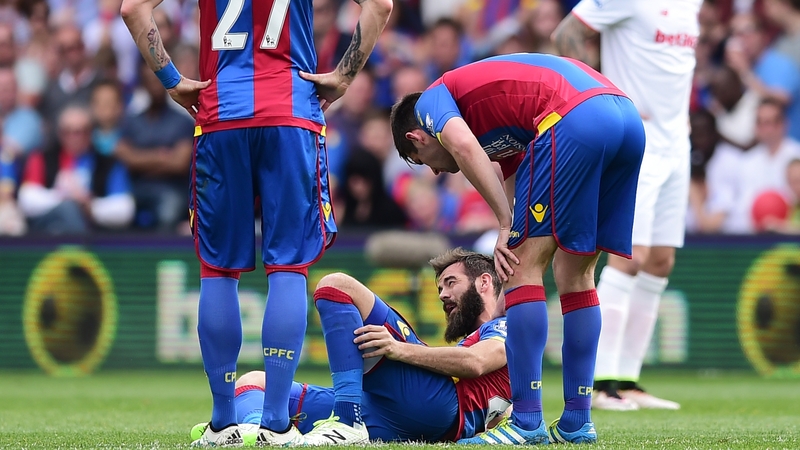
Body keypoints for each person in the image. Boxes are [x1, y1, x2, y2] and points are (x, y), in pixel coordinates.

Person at [120, 0, 393, 446]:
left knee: (218, 271)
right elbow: (380, 5)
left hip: (219, 115)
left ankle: (222, 423)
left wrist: (171, 81)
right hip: (291, 115)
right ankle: (275, 424)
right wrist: (344, 76)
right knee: (287, 267)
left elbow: (133, 9)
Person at [390, 52, 645, 444]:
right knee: (574, 272)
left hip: (573, 117)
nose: (435, 172)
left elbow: (462, 147)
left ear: (416, 138)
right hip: (625, 119)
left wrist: (506, 225)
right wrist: (513, 220)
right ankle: (578, 421)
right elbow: (515, 177)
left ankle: (526, 421)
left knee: (521, 267)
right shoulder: (499, 128)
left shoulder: (430, 104)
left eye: (422, 161)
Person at [191, 248, 511, 444]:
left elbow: (475, 363)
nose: (442, 294)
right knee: (252, 382)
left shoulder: (506, 326)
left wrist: (399, 349)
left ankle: (347, 421)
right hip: (396, 416)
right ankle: (249, 432)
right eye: (440, 286)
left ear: (484, 282)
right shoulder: (493, 342)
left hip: (436, 406)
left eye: (451, 282)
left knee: (337, 286)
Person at [551, 0, 702, 411]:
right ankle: (599, 382)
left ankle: (628, 379)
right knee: (626, 256)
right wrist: (599, 99)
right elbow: (566, 33)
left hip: (676, 142)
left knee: (660, 261)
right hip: (637, 133)